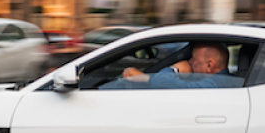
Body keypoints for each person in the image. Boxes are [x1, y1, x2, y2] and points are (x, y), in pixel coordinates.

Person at [100, 42, 242, 90]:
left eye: (193, 59)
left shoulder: (215, 84)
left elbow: (165, 83)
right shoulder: (226, 80)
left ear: (209, 65)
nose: (190, 62)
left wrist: (176, 69)